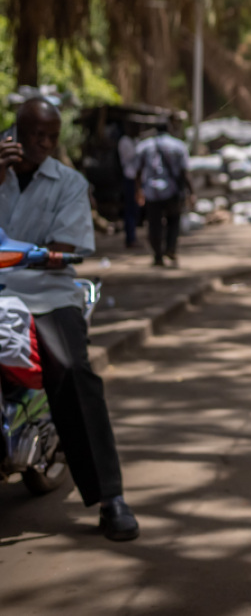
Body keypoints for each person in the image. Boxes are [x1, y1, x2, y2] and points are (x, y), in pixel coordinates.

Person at [0, 98, 139, 540]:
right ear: (13, 133)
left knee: (73, 372)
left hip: (46, 295)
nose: (42, 143)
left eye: (51, 136)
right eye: (33, 134)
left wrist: (39, 256)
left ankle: (110, 497)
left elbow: (68, 244)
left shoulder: (69, 183)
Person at [134, 120, 189, 268]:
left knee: (154, 224)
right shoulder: (178, 145)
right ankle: (170, 248)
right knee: (173, 220)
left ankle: (158, 255)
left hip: (151, 191)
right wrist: (190, 190)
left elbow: (137, 171)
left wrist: (138, 190)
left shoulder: (144, 146)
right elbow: (184, 171)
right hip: (171, 190)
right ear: (169, 129)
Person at [117, 122, 140, 248]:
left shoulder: (136, 141)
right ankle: (130, 238)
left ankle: (133, 236)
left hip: (137, 180)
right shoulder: (124, 142)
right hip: (129, 178)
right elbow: (131, 156)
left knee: (135, 209)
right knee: (130, 209)